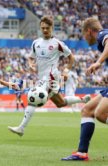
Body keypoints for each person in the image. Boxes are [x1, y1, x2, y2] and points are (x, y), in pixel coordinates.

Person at [8, 16, 91, 137]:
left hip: (51, 77)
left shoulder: (57, 44)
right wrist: (31, 64)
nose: (45, 30)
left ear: (52, 28)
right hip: (41, 77)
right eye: (43, 28)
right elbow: (31, 57)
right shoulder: (36, 43)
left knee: (33, 98)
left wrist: (66, 70)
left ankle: (21, 128)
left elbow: (71, 58)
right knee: (60, 103)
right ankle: (83, 99)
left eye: (47, 28)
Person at [62, 17, 108, 161]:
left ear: (89, 31)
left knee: (101, 113)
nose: (85, 39)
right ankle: (82, 153)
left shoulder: (102, 35)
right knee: (87, 110)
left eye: (83, 35)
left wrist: (98, 62)